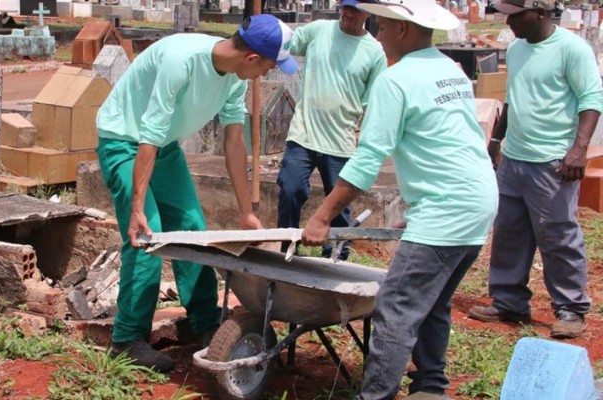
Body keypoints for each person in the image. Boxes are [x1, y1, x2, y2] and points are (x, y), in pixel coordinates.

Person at [301, 0, 498, 397]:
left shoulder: (395, 80)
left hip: (447, 208)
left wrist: (321, 217)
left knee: (394, 308)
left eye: (383, 26)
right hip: (477, 200)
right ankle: (429, 385)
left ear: (404, 30)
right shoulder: (449, 69)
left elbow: (366, 161)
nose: (378, 34)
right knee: (435, 301)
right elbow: (446, 140)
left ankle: (376, 395)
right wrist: (418, 206)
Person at [95, 14, 299, 372]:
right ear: (252, 58)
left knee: (191, 227)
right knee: (148, 234)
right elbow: (149, 135)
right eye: (268, 67)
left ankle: (206, 323)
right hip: (126, 141)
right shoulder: (181, 61)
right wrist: (138, 207)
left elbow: (234, 140)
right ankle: (127, 339)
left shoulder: (235, 75)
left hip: (164, 145)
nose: (265, 75)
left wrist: (246, 211)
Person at [468, 0, 602, 339]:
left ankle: (570, 308)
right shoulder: (516, 50)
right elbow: (514, 98)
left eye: (516, 15)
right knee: (509, 233)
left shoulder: (572, 49)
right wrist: (497, 140)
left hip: (553, 161)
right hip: (514, 157)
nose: (509, 22)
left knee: (558, 235)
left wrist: (578, 150)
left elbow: (591, 100)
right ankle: (509, 301)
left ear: (540, 13)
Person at [276, 0, 386, 259]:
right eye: (345, 6)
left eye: (356, 9)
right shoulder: (319, 31)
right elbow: (285, 43)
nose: (349, 13)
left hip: (341, 141)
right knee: (290, 190)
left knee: (338, 206)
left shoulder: (374, 52)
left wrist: (363, 139)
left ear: (368, 12)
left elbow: (373, 102)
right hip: (303, 136)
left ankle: (335, 259)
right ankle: (285, 252)